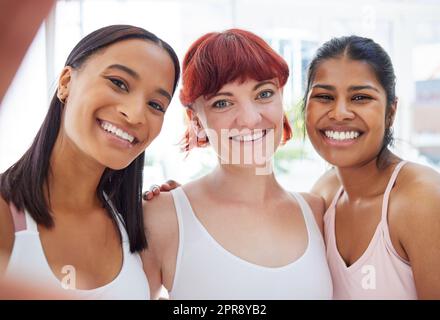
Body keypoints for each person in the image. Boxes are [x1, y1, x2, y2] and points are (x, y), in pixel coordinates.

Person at [141, 29, 333, 300]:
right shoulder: (161, 218)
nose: (250, 119)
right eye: (222, 103)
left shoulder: (317, 213)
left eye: (264, 94)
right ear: (196, 120)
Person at [0, 25, 180, 299]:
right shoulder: (6, 219)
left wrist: (183, 213)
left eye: (155, 105)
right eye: (118, 83)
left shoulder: (136, 227)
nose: (134, 115)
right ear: (66, 82)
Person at [305, 35, 440, 299]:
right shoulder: (324, 193)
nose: (339, 113)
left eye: (360, 98)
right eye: (324, 96)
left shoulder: (422, 199)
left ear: (391, 112)